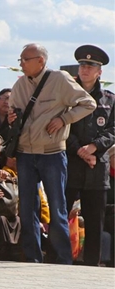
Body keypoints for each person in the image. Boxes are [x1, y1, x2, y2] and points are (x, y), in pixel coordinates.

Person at [9, 43, 96, 264]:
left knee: (57, 209)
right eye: (20, 59)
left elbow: (89, 103)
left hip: (52, 153)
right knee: (27, 209)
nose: (21, 64)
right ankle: (32, 258)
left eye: (24, 59)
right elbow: (15, 114)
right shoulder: (19, 86)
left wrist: (64, 119)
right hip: (25, 153)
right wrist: (12, 119)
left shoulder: (59, 79)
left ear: (41, 60)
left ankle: (62, 260)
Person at [65, 45, 114, 266]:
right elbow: (64, 128)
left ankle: (91, 266)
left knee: (95, 222)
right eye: (82, 65)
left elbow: (112, 130)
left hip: (97, 167)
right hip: (71, 164)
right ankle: (59, 258)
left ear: (99, 72)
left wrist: (94, 148)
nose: (85, 69)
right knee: (61, 216)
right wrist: (81, 151)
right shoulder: (67, 95)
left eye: (90, 66)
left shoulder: (109, 99)